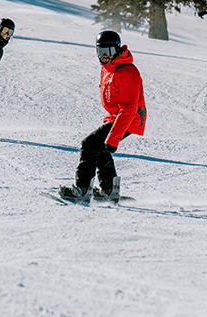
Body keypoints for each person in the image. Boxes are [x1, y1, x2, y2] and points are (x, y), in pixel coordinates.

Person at [59, 30, 147, 203]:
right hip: (117, 117)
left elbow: (128, 108)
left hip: (128, 119)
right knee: (100, 148)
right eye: (101, 52)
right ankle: (109, 191)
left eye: (109, 52)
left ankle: (82, 190)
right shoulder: (108, 69)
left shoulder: (127, 72)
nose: (104, 57)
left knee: (89, 144)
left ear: (117, 50)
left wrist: (113, 138)